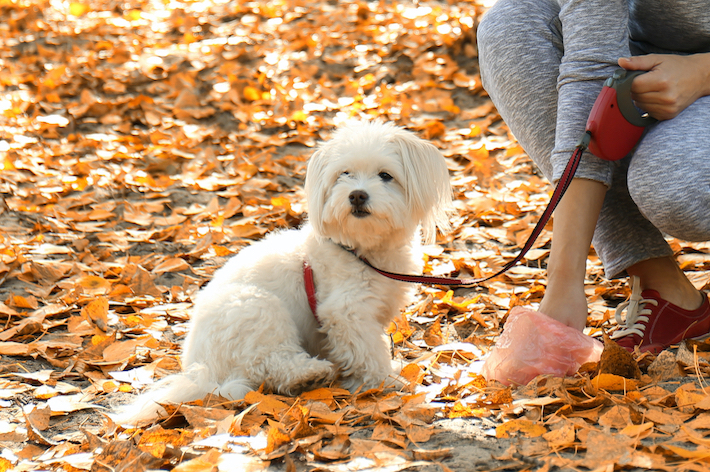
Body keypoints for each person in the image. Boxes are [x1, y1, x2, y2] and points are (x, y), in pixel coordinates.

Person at [476, 0, 710, 354]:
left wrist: (702, 72)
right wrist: (564, 281)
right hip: (645, 57)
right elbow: (592, 67)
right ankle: (665, 288)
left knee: (674, 185)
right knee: (510, 28)